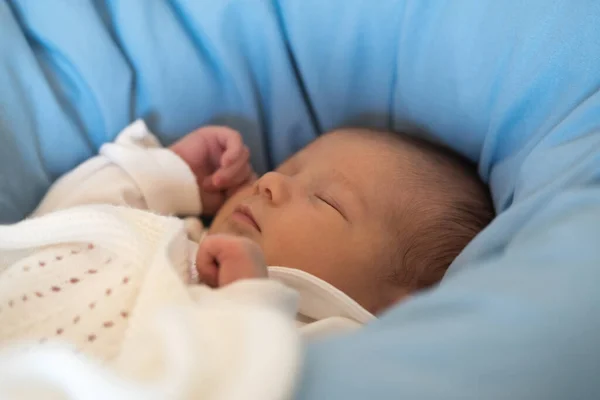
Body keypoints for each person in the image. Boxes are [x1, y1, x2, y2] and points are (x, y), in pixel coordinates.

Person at [0, 119, 493, 363]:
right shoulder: (177, 231)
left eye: (326, 200)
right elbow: (60, 226)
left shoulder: (323, 339)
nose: (272, 181)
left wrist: (247, 305)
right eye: (291, 166)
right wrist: (170, 176)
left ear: (397, 308)